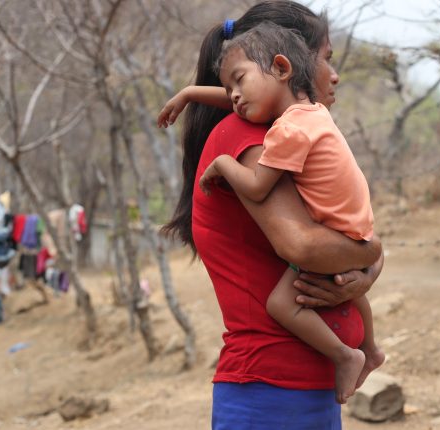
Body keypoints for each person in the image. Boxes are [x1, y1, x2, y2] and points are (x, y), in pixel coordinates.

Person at [159, 2, 384, 429]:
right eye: (325, 59)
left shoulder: (291, 130)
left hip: (299, 387)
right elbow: (301, 245)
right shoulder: (250, 136)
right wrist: (371, 250)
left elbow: (334, 233)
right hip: (271, 390)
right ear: (290, 63)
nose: (332, 74)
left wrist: (368, 261)